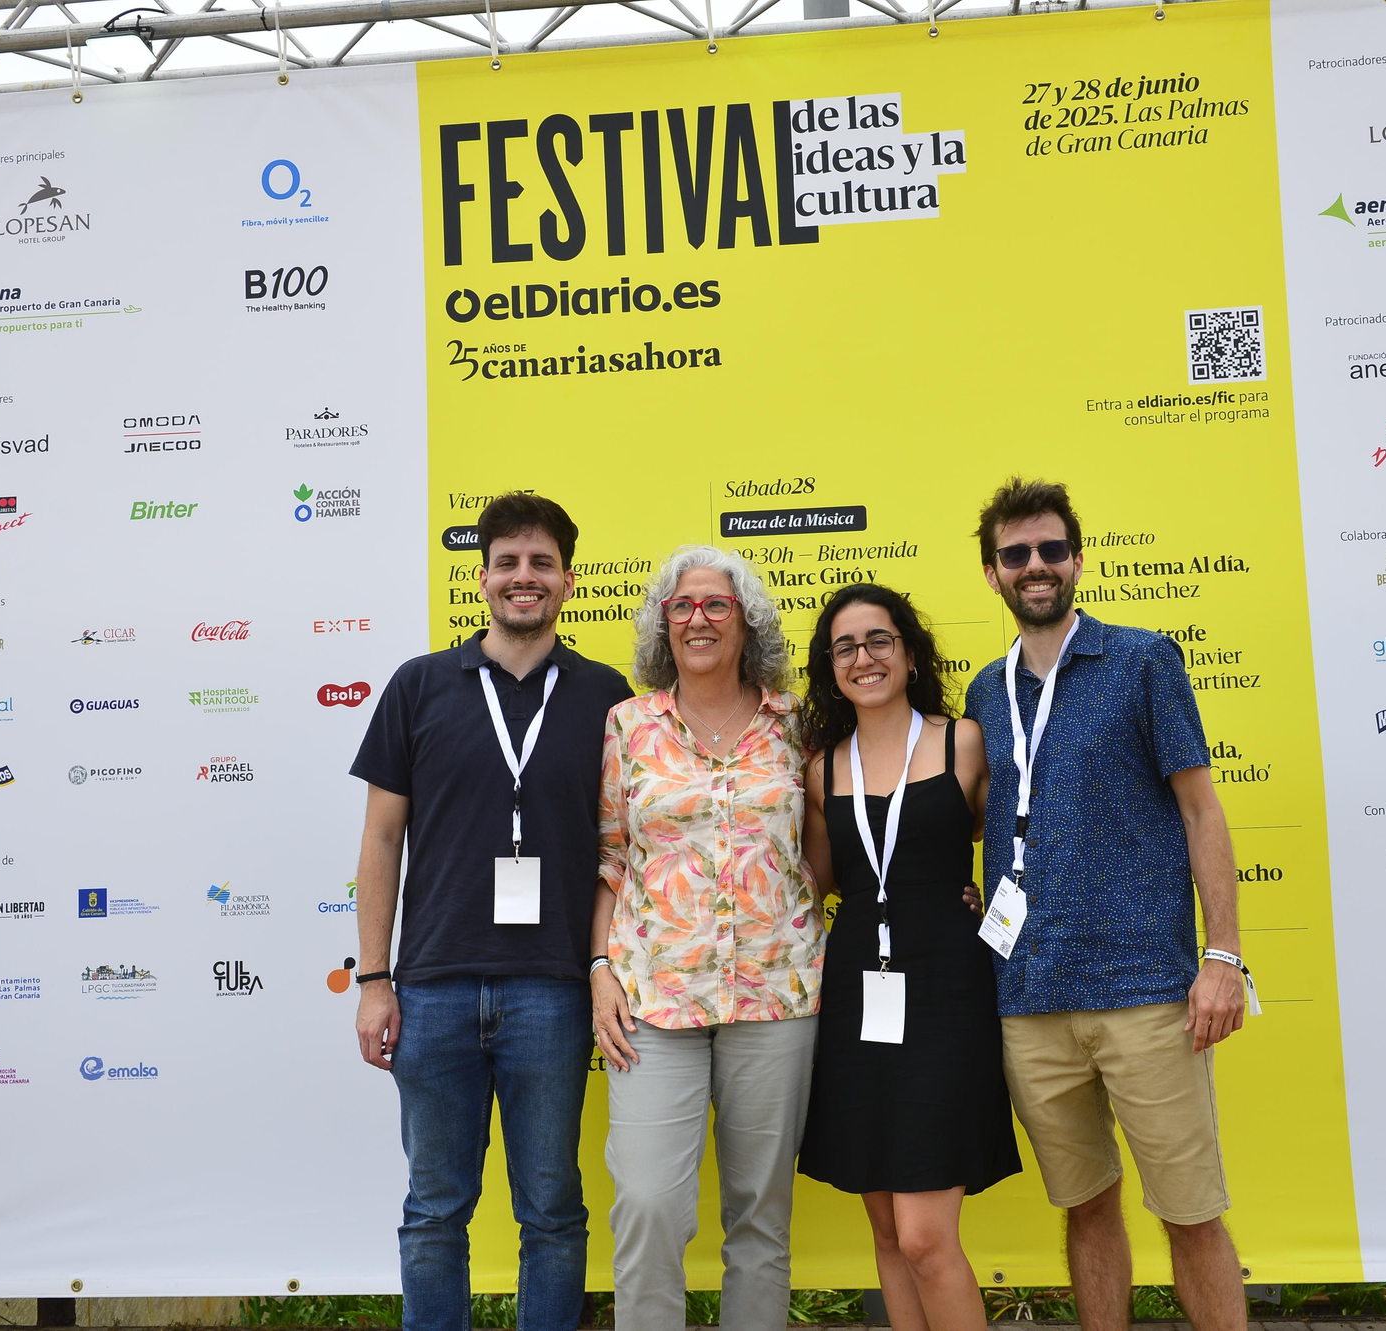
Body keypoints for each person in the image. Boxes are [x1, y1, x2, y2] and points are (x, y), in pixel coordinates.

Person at [963, 478, 1253, 1331]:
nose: (1036, 565)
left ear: (1077, 559)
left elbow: (1203, 812)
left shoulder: (1143, 659)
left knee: (1190, 1212)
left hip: (1147, 990)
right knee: (1086, 1207)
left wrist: (1223, 957)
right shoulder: (986, 691)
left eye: (1051, 549)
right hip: (1027, 994)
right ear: (992, 574)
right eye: (1016, 554)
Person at [348, 493, 632, 1331]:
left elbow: (624, 848)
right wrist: (373, 979)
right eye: (507, 562)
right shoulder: (419, 685)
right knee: (435, 1208)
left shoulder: (608, 698)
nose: (524, 577)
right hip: (431, 986)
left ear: (569, 581)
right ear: (481, 579)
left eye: (541, 563)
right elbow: (380, 840)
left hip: (552, 989)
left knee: (550, 1207)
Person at [591, 544, 825, 1331]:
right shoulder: (628, 725)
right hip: (653, 999)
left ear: (745, 622)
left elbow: (826, 848)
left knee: (760, 1214)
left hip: (777, 993)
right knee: (650, 1205)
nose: (698, 618)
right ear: (664, 622)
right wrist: (599, 967)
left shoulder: (795, 722)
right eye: (683, 605)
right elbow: (613, 859)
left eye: (716, 604)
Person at [795, 583, 1019, 1331]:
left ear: (910, 652)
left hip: (947, 992)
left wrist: (986, 907)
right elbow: (821, 879)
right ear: (832, 668)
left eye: (879, 639)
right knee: (888, 1233)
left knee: (926, 1235)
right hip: (859, 993)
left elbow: (1012, 843)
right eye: (846, 646)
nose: (865, 657)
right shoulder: (821, 767)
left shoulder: (965, 740)